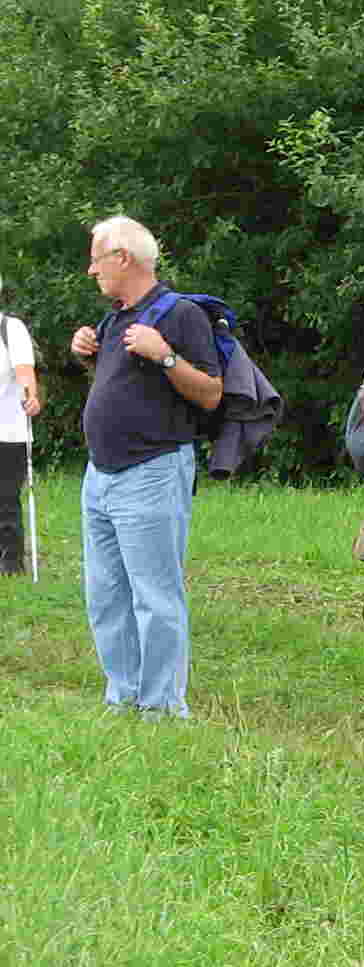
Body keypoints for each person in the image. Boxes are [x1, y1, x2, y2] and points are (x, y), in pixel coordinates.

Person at [67, 215, 223, 716]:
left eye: (96, 259)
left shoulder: (179, 316)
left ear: (123, 258)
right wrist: (89, 355)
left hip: (152, 471)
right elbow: (123, 388)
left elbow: (212, 395)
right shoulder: (116, 318)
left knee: (155, 597)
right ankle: (123, 697)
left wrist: (166, 357)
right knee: (106, 596)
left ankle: (160, 709)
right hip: (102, 475)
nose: (92, 270)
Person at [0, 303, 37, 576]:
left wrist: (30, 396)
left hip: (8, 431)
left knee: (5, 499)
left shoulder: (11, 329)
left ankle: (11, 565)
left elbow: (25, 374)